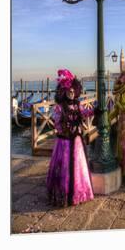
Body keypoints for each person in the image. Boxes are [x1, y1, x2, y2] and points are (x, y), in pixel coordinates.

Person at [46, 69, 94, 207]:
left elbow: (85, 113)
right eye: (69, 92)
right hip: (65, 142)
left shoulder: (78, 104)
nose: (71, 94)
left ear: (76, 91)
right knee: (65, 168)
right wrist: (64, 131)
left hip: (77, 141)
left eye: (73, 92)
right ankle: (65, 195)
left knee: (79, 167)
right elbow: (56, 122)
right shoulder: (59, 107)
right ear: (64, 92)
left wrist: (95, 111)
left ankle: (80, 192)